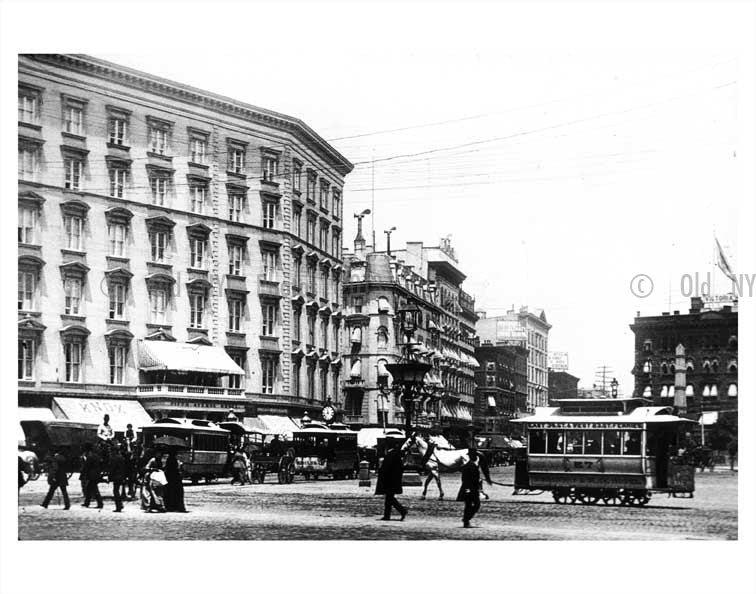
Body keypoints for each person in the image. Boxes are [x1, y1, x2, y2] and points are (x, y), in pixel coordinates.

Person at [375, 444, 407, 521]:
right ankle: (388, 515)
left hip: (390, 480)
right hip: (394, 480)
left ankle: (401, 511)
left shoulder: (390, 455)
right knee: (389, 498)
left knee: (389, 499)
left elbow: (386, 468)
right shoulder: (396, 454)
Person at [458, 449, 481, 528]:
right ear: (472, 456)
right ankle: (466, 519)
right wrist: (467, 489)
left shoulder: (472, 465)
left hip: (473, 489)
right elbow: (465, 479)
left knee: (470, 505)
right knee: (474, 505)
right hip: (469, 489)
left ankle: (466, 519)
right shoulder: (469, 466)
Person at [80, 443, 103, 509]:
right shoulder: (96, 456)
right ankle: (87, 502)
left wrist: (83, 474)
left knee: (94, 489)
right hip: (96, 474)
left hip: (92, 475)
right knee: (89, 489)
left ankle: (99, 503)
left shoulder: (90, 456)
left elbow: (86, 466)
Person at [109, 442, 126, 512]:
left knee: (115, 491)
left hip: (116, 476)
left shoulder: (114, 458)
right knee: (117, 490)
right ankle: (120, 504)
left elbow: (112, 468)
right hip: (121, 476)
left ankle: (118, 506)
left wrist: (110, 477)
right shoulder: (121, 457)